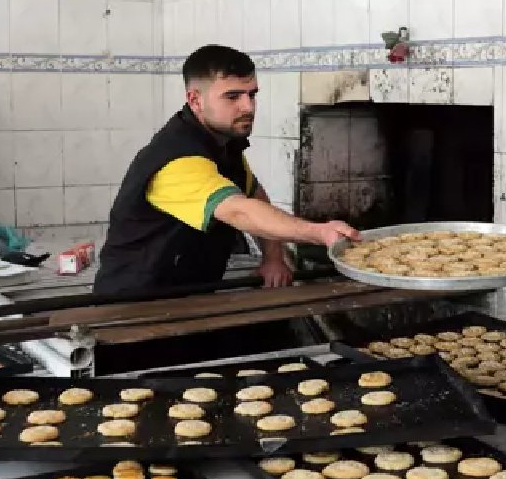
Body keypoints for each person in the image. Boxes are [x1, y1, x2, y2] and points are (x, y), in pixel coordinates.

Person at [94, 44, 358, 294]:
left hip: (192, 290)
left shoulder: (222, 143)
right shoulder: (177, 159)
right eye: (232, 97)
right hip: (138, 302)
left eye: (252, 94)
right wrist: (319, 232)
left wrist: (273, 258)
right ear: (195, 100)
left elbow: (253, 194)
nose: (248, 107)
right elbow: (238, 211)